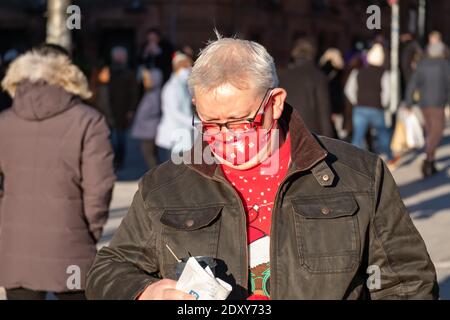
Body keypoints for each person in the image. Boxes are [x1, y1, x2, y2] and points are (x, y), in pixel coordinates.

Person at [86, 35, 438, 300]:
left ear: (274, 103)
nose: (224, 140)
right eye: (210, 123)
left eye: (239, 122)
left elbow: (408, 281)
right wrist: (146, 291)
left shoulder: (359, 175)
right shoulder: (164, 186)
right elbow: (108, 269)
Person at [0, 44, 115, 300]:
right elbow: (100, 186)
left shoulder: (4, 122)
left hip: (15, 246)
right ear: (68, 73)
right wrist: (89, 230)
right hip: (71, 241)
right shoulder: (88, 120)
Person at [344, 43, 396, 167]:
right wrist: (383, 103)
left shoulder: (357, 72)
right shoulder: (384, 73)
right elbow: (387, 92)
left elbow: (348, 89)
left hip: (360, 108)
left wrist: (356, 101)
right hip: (376, 108)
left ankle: (351, 162)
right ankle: (390, 157)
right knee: (383, 134)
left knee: (358, 136)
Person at [405, 42, 450, 177]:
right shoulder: (444, 65)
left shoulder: (422, 64)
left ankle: (431, 161)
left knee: (431, 130)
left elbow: (413, 84)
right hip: (438, 103)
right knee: (437, 131)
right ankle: (428, 159)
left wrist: (409, 102)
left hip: (424, 104)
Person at [279, 38, 334, 137]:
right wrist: (330, 142)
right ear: (313, 53)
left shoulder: (282, 76)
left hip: (284, 132)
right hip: (310, 136)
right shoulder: (318, 77)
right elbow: (324, 112)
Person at [155, 52, 194, 163]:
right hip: (173, 133)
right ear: (179, 68)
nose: (190, 70)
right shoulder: (171, 87)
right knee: (174, 169)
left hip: (183, 134)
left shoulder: (183, 86)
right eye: (187, 67)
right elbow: (175, 112)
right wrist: (194, 121)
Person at [107, 46, 139, 170]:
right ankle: (113, 159)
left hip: (122, 110)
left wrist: (131, 109)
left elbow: (134, 93)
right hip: (108, 109)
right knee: (110, 137)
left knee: (120, 137)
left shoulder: (129, 73)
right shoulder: (107, 72)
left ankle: (119, 160)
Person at [131, 68, 164, 168]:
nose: (144, 82)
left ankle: (157, 176)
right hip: (148, 128)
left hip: (149, 130)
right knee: (151, 154)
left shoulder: (154, 94)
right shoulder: (151, 93)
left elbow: (150, 111)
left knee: (149, 154)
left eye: (146, 80)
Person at [319, 48, 346, 139]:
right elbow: (335, 91)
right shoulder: (338, 72)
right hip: (334, 107)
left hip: (322, 106)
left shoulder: (320, 70)